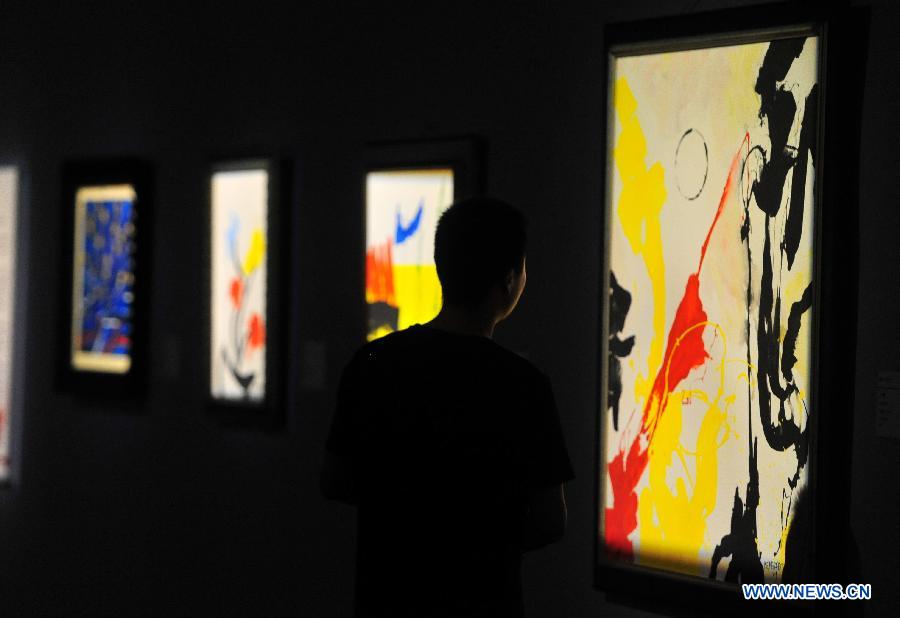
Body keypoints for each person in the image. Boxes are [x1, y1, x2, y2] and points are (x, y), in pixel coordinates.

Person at [321, 197, 574, 617]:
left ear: (443, 268)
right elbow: (551, 520)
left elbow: (334, 481)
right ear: (509, 281)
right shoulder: (524, 387)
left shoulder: (372, 365)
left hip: (387, 597)